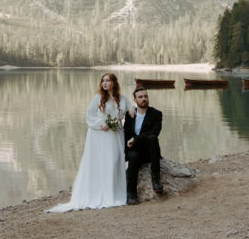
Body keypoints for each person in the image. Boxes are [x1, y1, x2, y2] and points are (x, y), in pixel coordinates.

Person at [47, 73, 128, 212]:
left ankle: (114, 193)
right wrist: (101, 124)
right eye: (103, 81)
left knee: (114, 161)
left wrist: (128, 113)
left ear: (114, 83)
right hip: (100, 135)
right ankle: (98, 193)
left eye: (108, 81)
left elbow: (128, 108)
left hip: (115, 135)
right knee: (100, 162)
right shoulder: (97, 98)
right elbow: (89, 115)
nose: (105, 83)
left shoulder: (121, 98)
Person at [123, 86, 164, 204]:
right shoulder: (130, 114)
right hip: (134, 150)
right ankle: (131, 193)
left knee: (152, 138)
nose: (144, 99)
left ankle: (156, 179)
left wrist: (135, 139)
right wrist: (132, 142)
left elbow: (154, 133)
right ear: (135, 100)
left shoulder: (156, 114)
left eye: (145, 96)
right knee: (133, 157)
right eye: (140, 97)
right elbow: (126, 134)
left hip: (149, 150)